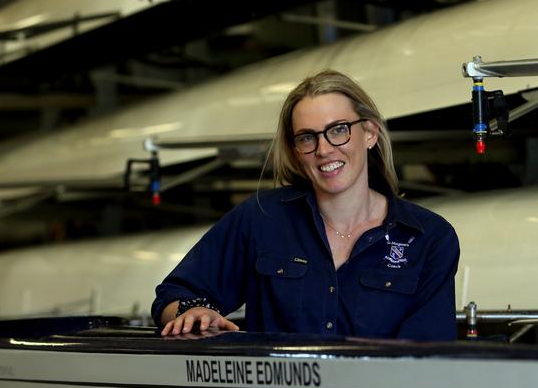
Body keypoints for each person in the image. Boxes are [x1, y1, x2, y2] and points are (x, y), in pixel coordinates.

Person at [153, 69, 459, 341]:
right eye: (307, 137)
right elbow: (173, 295)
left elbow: (427, 360)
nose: (323, 149)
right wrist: (194, 312)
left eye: (338, 130)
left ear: (369, 133)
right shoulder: (262, 218)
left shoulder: (429, 238)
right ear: (296, 150)